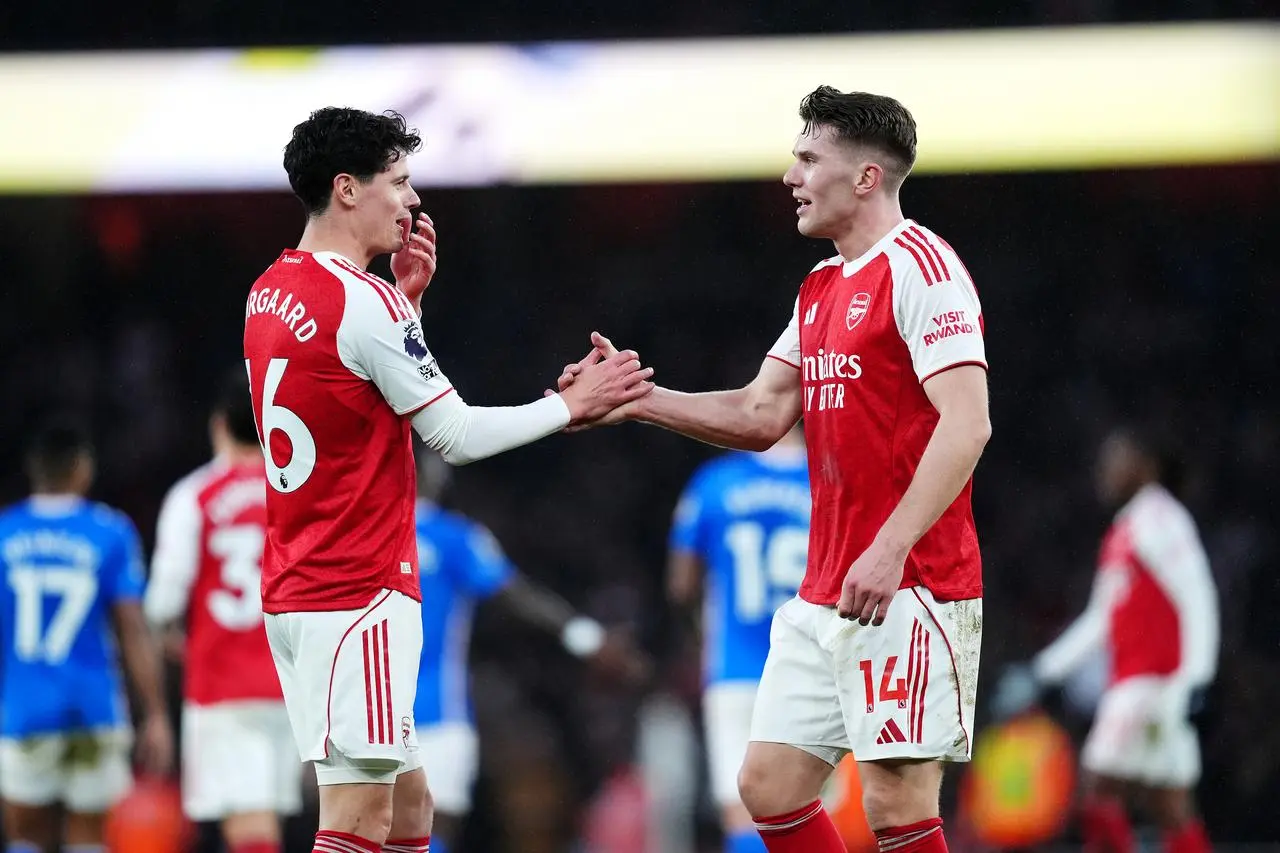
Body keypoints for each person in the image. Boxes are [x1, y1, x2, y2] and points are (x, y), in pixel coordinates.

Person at [556, 86, 990, 853]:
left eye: (807, 158)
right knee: (766, 786)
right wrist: (640, 399)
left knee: (897, 800)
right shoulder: (820, 287)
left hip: (912, 584)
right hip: (824, 591)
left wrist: (888, 547)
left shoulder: (925, 268)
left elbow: (968, 423)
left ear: (864, 177)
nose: (791, 175)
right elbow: (761, 413)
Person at [243, 106, 653, 853]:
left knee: (410, 809)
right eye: (397, 182)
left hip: (301, 584)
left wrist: (409, 310)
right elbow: (454, 435)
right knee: (358, 820)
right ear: (346, 189)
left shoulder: (271, 288)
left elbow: (349, 396)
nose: (410, 200)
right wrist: (569, 405)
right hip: (357, 589)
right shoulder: (361, 304)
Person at [410, 447, 649, 853]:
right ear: (434, 476)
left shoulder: (359, 536)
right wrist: (586, 637)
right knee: (431, 830)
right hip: (437, 713)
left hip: (363, 714)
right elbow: (516, 596)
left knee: (361, 828)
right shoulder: (453, 537)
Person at [992, 429, 1218, 853]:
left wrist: (1199, 681)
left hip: (1151, 682)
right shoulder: (1128, 528)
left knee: (1096, 790)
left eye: (1115, 459)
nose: (1105, 471)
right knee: (1170, 805)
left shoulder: (1159, 519)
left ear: (1145, 466)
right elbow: (1102, 619)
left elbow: (1197, 595)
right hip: (1149, 682)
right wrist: (1042, 672)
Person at [144, 370, 300, 853]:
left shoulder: (195, 496)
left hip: (222, 685)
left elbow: (163, 602)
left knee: (248, 824)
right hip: (290, 684)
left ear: (218, 426)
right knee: (262, 817)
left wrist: (172, 635)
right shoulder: (297, 494)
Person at [0, 421, 174, 853]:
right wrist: (155, 712)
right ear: (82, 469)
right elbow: (132, 627)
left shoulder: (5, 532)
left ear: (34, 470)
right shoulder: (110, 531)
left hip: (25, 708)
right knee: (89, 840)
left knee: (25, 837)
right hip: (93, 709)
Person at [667, 425, 810, 853]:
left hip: (735, 668)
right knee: (815, 812)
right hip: (815, 667)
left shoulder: (715, 482)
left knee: (742, 812)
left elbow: (680, 586)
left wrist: (699, 633)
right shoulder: (833, 478)